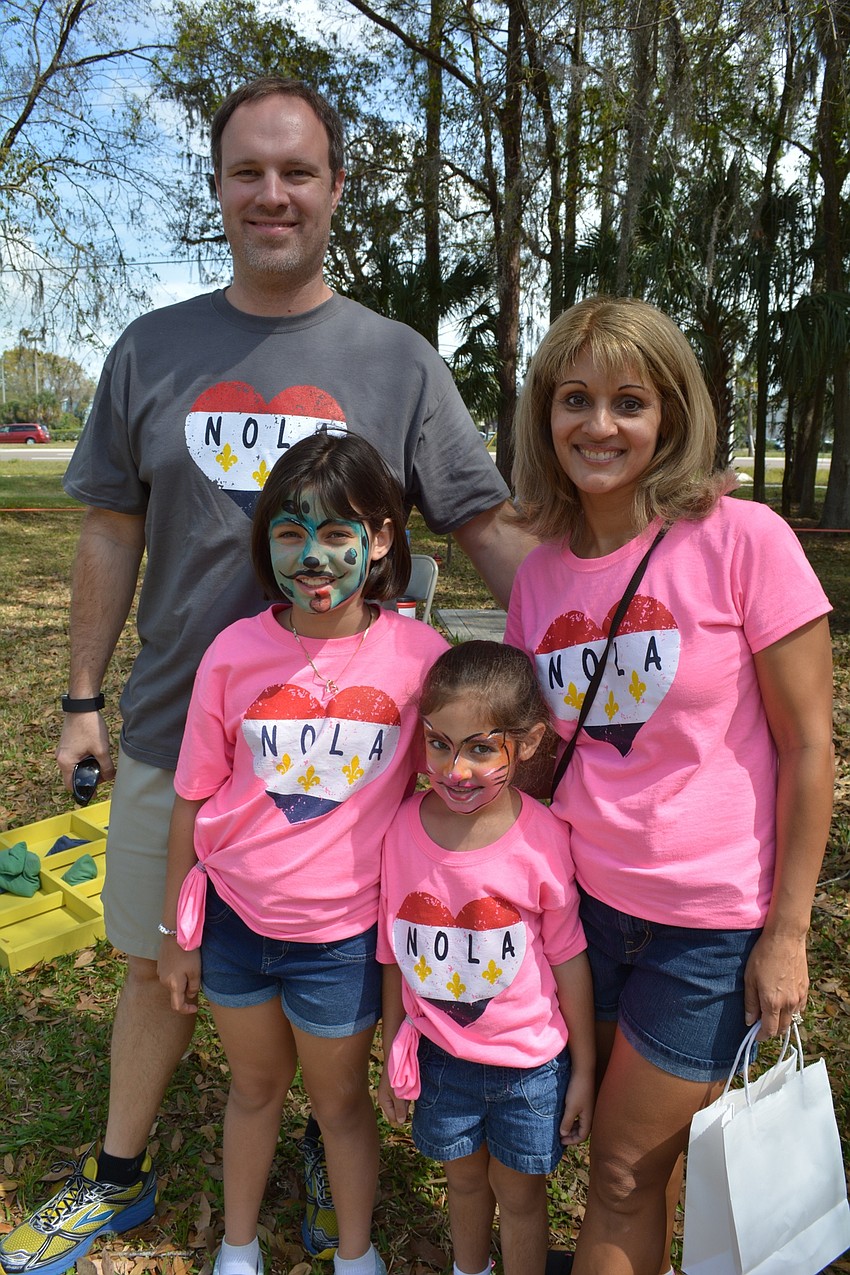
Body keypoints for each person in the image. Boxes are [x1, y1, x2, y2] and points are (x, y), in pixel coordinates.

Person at [0, 76, 534, 1275]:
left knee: (341, 954)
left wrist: (585, 614)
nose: (273, 194)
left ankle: (317, 1138)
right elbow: (104, 530)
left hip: (363, 748)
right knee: (156, 953)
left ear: (336, 188)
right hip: (183, 727)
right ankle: (118, 1175)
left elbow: (480, 518)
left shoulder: (396, 361)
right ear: (219, 190)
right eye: (248, 172)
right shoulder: (152, 348)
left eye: (297, 171)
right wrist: (82, 698)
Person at [504, 295, 834, 1275]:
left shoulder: (744, 539)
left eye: (627, 402)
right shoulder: (539, 578)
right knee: (635, 1166)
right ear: (542, 415)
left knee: (616, 1171)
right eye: (574, 399)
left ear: (671, 415)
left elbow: (811, 748)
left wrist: (785, 933)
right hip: (582, 910)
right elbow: (544, 756)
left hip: (708, 925)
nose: (598, 426)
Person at [156, 431, 448, 1275]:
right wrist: (181, 935)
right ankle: (237, 1247)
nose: (314, 557)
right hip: (238, 928)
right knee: (254, 1091)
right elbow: (192, 796)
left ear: (382, 539)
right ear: (268, 542)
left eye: (337, 533)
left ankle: (357, 1255)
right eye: (291, 533)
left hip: (344, 942)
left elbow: (458, 782)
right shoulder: (234, 653)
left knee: (340, 1102)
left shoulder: (419, 660)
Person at [377, 641, 596, 1275]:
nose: (455, 769)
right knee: (465, 1187)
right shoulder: (399, 831)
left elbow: (569, 958)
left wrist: (582, 1070)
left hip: (530, 1069)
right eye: (440, 743)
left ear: (526, 743)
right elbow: (393, 955)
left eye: (480, 748)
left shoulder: (544, 839)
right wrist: (396, 1049)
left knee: (521, 1200)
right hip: (441, 1060)